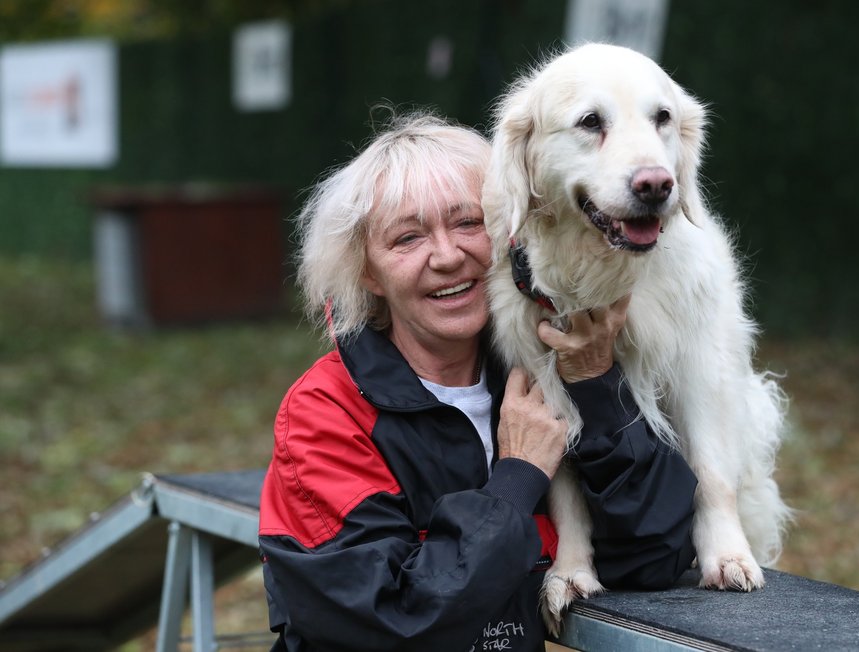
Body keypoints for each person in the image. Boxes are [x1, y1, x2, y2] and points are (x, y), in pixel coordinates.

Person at [258, 111, 698, 652]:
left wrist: (596, 388)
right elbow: (390, 623)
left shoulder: (549, 368)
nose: (447, 257)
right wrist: (516, 479)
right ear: (367, 273)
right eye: (407, 238)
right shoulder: (325, 413)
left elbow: (656, 558)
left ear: (508, 230)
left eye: (468, 224)